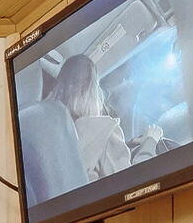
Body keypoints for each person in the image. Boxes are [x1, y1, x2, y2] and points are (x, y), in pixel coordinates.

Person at [47, 53, 165, 181]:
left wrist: (125, 145)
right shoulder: (104, 129)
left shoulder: (48, 136)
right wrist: (150, 141)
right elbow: (134, 182)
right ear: (92, 91)